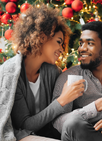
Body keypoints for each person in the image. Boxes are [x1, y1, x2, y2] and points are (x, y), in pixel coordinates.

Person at [0, 5, 85, 141]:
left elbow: (60, 117)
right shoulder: (12, 73)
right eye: (59, 42)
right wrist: (62, 100)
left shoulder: (53, 72)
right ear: (42, 36)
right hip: (20, 135)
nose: (61, 49)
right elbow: (26, 125)